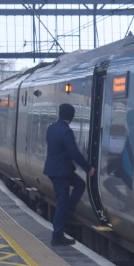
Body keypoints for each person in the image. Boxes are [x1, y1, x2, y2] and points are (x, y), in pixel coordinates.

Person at [43, 103, 93, 246]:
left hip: (55, 169)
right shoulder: (66, 131)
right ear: (71, 116)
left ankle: (68, 212)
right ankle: (57, 235)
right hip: (61, 172)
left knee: (79, 184)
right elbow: (74, 152)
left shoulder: (51, 128)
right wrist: (88, 168)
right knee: (62, 203)